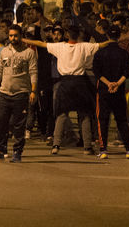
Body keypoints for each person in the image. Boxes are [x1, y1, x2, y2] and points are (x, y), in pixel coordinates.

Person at [24, 26, 109, 155]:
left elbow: (40, 43)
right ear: (78, 34)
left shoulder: (60, 46)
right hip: (80, 82)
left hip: (65, 82)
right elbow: (103, 44)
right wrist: (116, 40)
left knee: (62, 114)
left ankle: (56, 145)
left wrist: (23, 39)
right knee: (84, 115)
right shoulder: (85, 46)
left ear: (67, 35)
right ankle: (87, 147)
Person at [0, 25, 37, 162]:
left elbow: (33, 72)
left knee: (18, 125)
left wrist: (33, 90)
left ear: (20, 35)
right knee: (0, 122)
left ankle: (17, 152)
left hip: (21, 93)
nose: (13, 38)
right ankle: (0, 149)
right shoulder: (4, 52)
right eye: (10, 36)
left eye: (15, 35)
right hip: (4, 93)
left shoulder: (29, 53)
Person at [92, 25, 129, 159]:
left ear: (107, 36)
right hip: (119, 90)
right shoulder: (124, 53)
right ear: (118, 37)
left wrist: (108, 83)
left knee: (103, 120)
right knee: (122, 120)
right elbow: (127, 72)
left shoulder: (100, 53)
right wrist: (117, 83)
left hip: (104, 91)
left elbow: (97, 72)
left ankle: (103, 149)